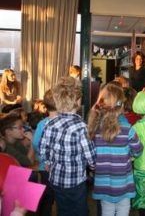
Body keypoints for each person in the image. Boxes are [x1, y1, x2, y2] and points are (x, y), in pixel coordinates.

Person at [39, 77, 96, 216]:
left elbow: (43, 148)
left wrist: (47, 162)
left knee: (63, 210)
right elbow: (91, 157)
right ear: (78, 101)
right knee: (80, 211)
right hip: (75, 182)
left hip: (56, 180)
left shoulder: (49, 123)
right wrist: (94, 166)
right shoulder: (81, 127)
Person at [88, 83, 143, 216]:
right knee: (124, 209)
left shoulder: (94, 128)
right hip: (123, 181)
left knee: (106, 210)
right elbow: (138, 150)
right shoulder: (127, 129)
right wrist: (128, 154)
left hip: (103, 181)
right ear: (121, 105)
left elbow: (91, 156)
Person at [32, 89, 56, 216]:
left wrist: (42, 156)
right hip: (55, 168)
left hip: (43, 166)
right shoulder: (63, 123)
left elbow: (35, 143)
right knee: (54, 196)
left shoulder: (42, 123)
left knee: (47, 196)